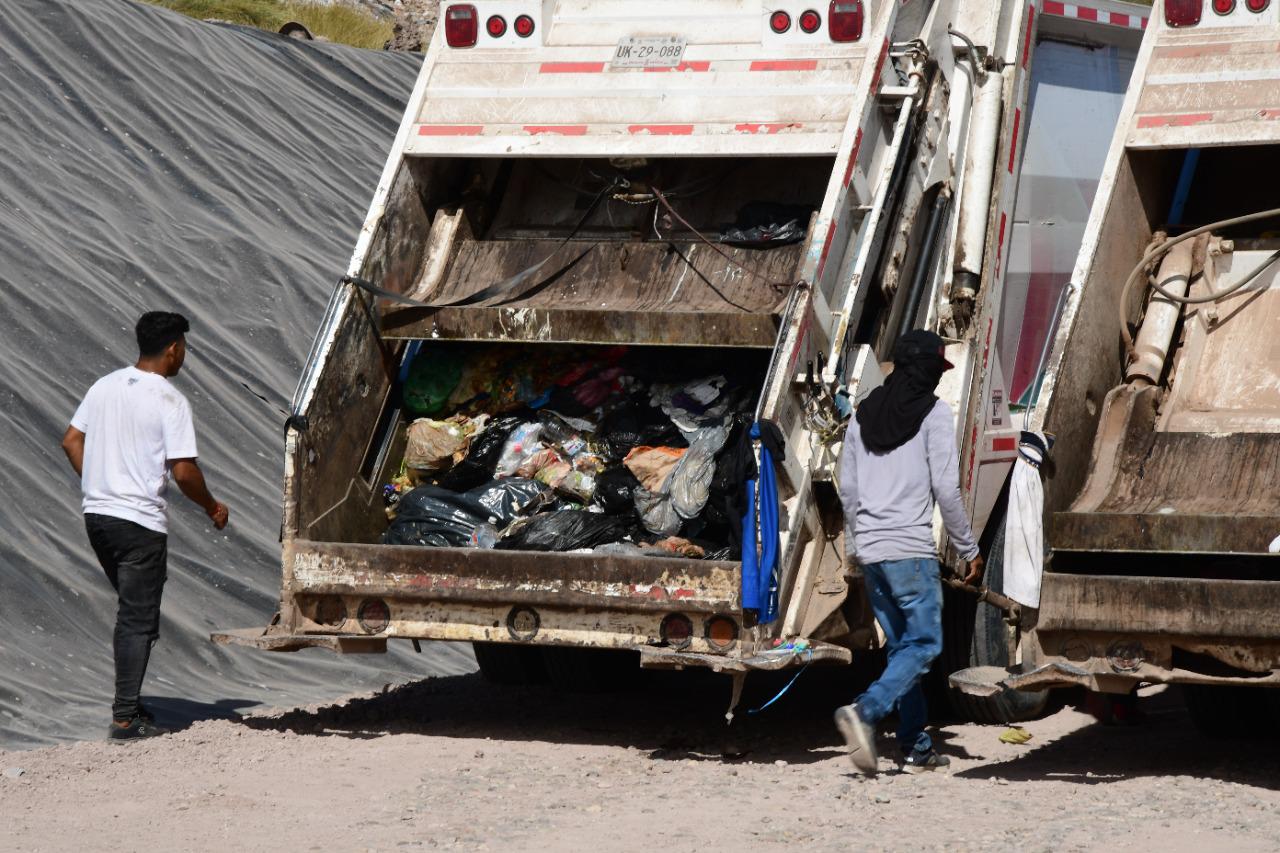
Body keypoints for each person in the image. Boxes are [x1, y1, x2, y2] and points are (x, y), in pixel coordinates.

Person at [61, 311, 229, 742]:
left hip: (98, 517)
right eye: (184, 348)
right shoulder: (169, 399)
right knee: (137, 619)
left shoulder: (104, 386)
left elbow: (71, 440)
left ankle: (130, 703)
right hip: (138, 523)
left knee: (136, 613)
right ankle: (124, 718)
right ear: (174, 348)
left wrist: (99, 481)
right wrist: (212, 507)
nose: (184, 356)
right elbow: (184, 470)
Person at [833, 329, 983, 774]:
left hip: (873, 552)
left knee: (903, 650)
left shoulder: (862, 414)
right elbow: (946, 490)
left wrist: (858, 546)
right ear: (928, 371)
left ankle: (916, 745)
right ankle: (864, 712)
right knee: (924, 643)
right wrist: (968, 549)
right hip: (910, 552)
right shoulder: (935, 413)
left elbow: (849, 488)